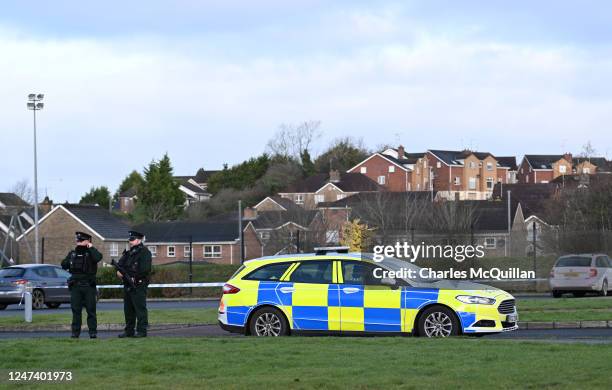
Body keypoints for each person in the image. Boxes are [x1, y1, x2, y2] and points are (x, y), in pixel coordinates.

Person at [61, 231, 103, 339]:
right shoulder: (72, 254)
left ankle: (93, 332)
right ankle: (75, 333)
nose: (78, 243)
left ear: (87, 241)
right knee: (76, 311)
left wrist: (91, 248)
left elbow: (98, 258)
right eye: (77, 241)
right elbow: (63, 265)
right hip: (76, 287)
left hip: (89, 287)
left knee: (91, 311)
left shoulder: (91, 253)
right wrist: (70, 259)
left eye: (81, 241)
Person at [117, 230, 152, 338]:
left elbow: (145, 270)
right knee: (128, 309)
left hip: (138, 285)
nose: (130, 242)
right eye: (130, 239)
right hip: (128, 285)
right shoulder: (129, 253)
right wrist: (118, 272)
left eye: (132, 239)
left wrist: (132, 276)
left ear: (139, 240)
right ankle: (129, 331)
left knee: (140, 309)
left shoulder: (145, 252)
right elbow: (120, 264)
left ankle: (142, 331)